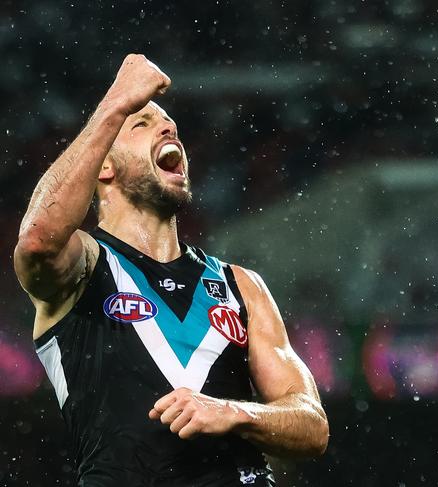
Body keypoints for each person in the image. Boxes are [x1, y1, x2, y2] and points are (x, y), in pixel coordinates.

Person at [13, 54, 329, 486]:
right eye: (141, 123)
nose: (168, 129)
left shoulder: (241, 285)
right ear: (102, 165)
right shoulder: (85, 267)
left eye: (170, 126)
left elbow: (312, 426)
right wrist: (116, 104)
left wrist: (233, 411)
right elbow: (36, 241)